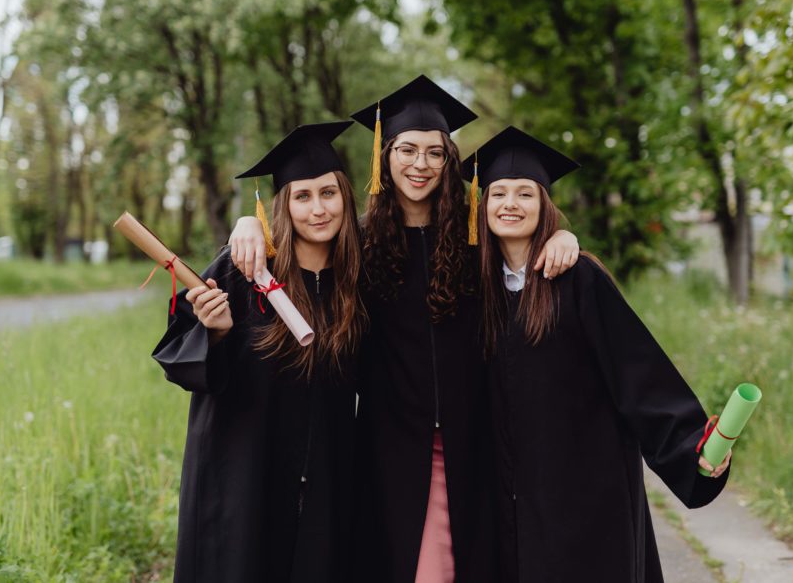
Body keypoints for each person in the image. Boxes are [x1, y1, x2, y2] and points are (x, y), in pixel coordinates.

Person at [228, 76, 581, 583]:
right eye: (407, 150)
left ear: (450, 161)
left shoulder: (475, 231)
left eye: (435, 153)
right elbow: (300, 241)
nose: (421, 165)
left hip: (473, 434)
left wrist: (563, 233)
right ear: (383, 155)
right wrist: (248, 224)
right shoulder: (358, 238)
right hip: (388, 440)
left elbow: (527, 238)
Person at [461, 126, 732, 583]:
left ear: (545, 205)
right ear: (482, 206)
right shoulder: (473, 288)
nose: (510, 204)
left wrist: (691, 451)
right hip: (503, 496)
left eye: (525, 193)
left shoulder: (579, 280)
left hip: (585, 489)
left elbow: (638, 374)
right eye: (498, 194)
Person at [151, 121, 367, 583]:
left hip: (325, 474)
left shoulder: (359, 277)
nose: (318, 209)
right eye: (302, 197)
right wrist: (216, 332)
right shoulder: (243, 268)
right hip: (242, 472)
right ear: (283, 206)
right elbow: (178, 358)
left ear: (346, 198)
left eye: (328, 193)